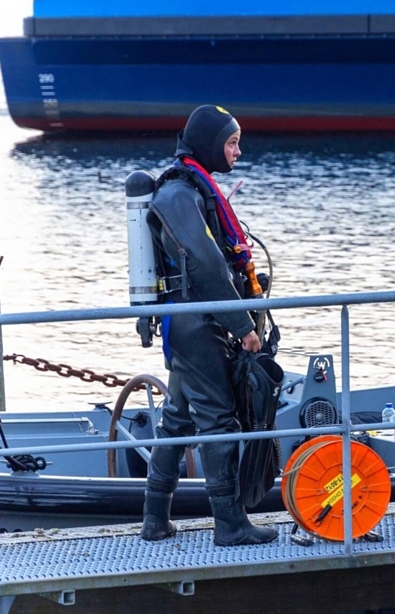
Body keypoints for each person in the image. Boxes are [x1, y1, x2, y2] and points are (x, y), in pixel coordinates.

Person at [140, 105, 277, 546]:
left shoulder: (191, 189)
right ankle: (230, 524)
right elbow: (205, 263)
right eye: (231, 142)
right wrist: (242, 324)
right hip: (198, 324)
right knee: (218, 423)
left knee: (178, 420)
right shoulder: (179, 194)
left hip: (194, 322)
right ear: (208, 143)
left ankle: (154, 518)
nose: (238, 150)